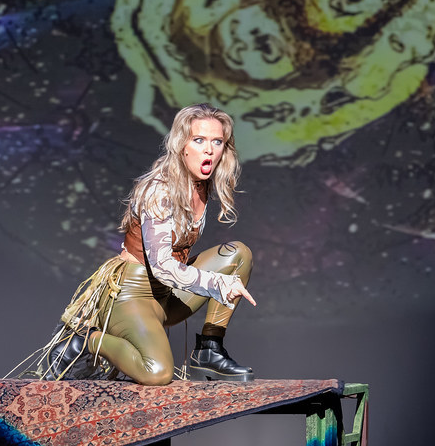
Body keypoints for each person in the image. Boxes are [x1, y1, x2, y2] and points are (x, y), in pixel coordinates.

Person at [16, 103, 256, 385]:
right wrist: (217, 284)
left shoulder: (201, 185)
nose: (209, 150)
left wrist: (219, 280)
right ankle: (86, 341)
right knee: (158, 372)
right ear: (182, 145)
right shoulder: (160, 189)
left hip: (169, 293)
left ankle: (208, 350)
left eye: (217, 142)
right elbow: (162, 265)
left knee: (238, 255)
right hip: (133, 293)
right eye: (199, 140)